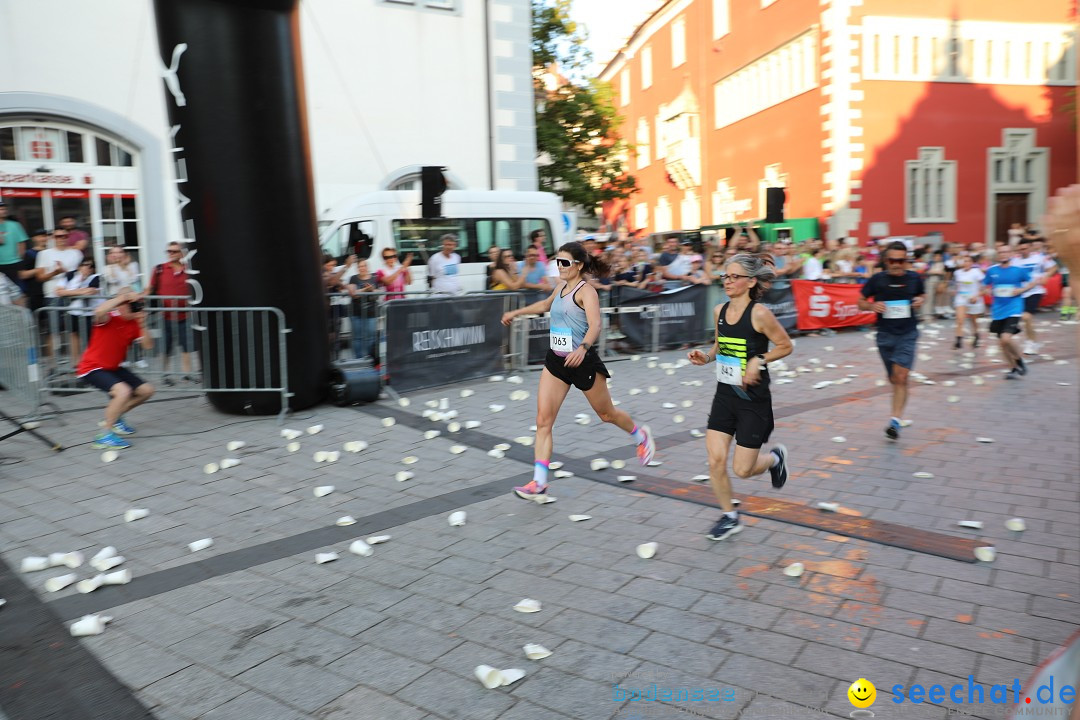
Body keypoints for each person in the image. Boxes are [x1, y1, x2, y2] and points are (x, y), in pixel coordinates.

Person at [500, 242, 655, 501]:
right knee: (543, 421)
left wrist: (583, 348)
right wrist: (517, 312)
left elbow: (595, 325)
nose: (559, 267)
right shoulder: (560, 286)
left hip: (582, 362)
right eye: (557, 262)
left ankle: (641, 436)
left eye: (565, 263)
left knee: (607, 414)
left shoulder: (587, 292)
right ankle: (539, 483)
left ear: (579, 265)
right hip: (557, 362)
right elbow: (544, 305)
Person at [687, 253, 793, 541]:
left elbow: (785, 345)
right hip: (724, 394)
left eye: (734, 277)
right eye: (725, 276)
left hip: (753, 399)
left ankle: (774, 460)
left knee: (743, 469)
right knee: (715, 461)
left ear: (750, 282)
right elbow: (721, 345)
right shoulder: (719, 310)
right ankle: (730, 516)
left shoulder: (760, 314)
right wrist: (706, 356)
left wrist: (760, 359)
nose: (728, 281)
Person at [857, 241, 926, 440]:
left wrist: (921, 300)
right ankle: (898, 411)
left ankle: (895, 421)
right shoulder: (877, 279)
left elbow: (922, 294)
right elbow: (860, 301)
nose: (896, 264)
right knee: (894, 379)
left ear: (906, 260)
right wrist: (871, 307)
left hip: (908, 333)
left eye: (901, 260)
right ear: (886, 260)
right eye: (892, 260)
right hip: (885, 335)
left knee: (901, 376)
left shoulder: (914, 278)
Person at [76, 289, 155, 449]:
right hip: (92, 367)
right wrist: (124, 297)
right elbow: (99, 310)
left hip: (113, 367)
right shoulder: (108, 318)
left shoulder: (134, 324)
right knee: (123, 392)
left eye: (135, 305)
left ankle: (115, 418)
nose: (134, 308)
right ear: (120, 305)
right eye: (129, 305)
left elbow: (148, 346)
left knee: (147, 391)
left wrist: (143, 324)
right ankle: (104, 435)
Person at [985, 246, 1040, 380]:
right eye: (1000, 252)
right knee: (1002, 343)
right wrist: (988, 291)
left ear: (1010, 254)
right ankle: (1013, 368)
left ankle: (1019, 360)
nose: (1003, 254)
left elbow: (1034, 282)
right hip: (997, 310)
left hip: (1014, 308)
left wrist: (1021, 290)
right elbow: (985, 285)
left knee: (1006, 338)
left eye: (1005, 252)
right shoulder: (992, 271)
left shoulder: (1018, 270)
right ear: (997, 255)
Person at [149, 242, 194, 383]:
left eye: (174, 251)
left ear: (182, 253)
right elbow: (150, 289)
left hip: (185, 314)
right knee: (166, 346)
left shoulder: (189, 270)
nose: (171, 253)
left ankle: (187, 374)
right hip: (165, 315)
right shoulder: (159, 269)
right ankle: (165, 375)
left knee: (186, 345)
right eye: (169, 251)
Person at [1011, 238, 1057, 354]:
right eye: (1020, 249)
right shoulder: (1014, 260)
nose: (1023, 251)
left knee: (1026, 317)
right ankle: (1034, 341)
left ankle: (1030, 342)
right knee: (1023, 318)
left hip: (1034, 291)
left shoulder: (1040, 257)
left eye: (1025, 248)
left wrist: (1046, 276)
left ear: (1030, 248)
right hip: (1020, 292)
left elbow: (1053, 267)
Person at [55, 258, 102, 363]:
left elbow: (90, 292)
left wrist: (69, 291)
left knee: (90, 338)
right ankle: (76, 363)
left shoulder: (96, 278)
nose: (87, 268)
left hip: (89, 313)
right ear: (79, 266)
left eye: (90, 266)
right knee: (73, 335)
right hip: (73, 311)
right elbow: (58, 291)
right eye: (85, 265)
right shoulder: (70, 275)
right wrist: (79, 291)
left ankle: (91, 362)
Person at [347, 259, 380, 363]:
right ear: (357, 268)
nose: (362, 268)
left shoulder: (374, 278)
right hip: (356, 313)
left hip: (371, 313)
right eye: (360, 266)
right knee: (358, 338)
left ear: (367, 267)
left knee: (371, 337)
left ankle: (370, 359)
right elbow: (353, 293)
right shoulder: (353, 278)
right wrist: (366, 290)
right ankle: (359, 360)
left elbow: (379, 293)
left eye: (364, 266)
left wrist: (372, 290)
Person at [952, 253, 985, 349]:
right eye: (964, 261)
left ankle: (976, 335)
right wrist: (954, 291)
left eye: (968, 261)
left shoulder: (977, 272)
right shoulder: (957, 272)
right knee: (959, 319)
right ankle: (958, 340)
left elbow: (984, 287)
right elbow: (956, 285)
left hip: (973, 298)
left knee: (973, 320)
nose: (966, 263)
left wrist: (977, 296)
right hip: (961, 298)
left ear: (972, 263)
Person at [0, 200, 29, 289]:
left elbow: (22, 243)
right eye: (1, 209)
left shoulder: (15, 225)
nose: (3, 211)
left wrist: (20, 259)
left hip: (14, 263)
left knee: (18, 290)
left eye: (4, 209)